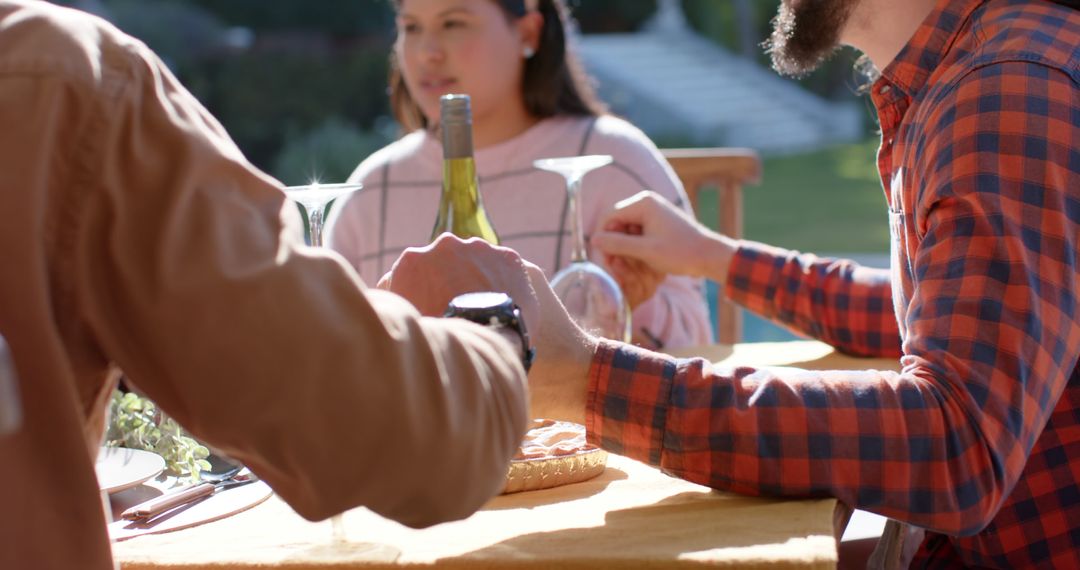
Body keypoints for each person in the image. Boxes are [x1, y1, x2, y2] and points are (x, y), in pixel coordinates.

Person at [384, 0, 1080, 567]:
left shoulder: (1005, 85)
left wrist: (582, 379)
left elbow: (956, 443)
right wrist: (713, 258)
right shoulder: (966, 71)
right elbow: (931, 316)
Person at [0, 2, 543, 568]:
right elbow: (393, 429)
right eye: (411, 27)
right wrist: (496, 329)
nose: (430, 48)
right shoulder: (58, 80)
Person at [326, 0, 712, 350]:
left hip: (568, 426)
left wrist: (633, 305)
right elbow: (330, 350)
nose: (428, 52)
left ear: (528, 32)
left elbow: (697, 346)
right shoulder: (372, 189)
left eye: (454, 24)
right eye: (411, 28)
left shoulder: (613, 160)